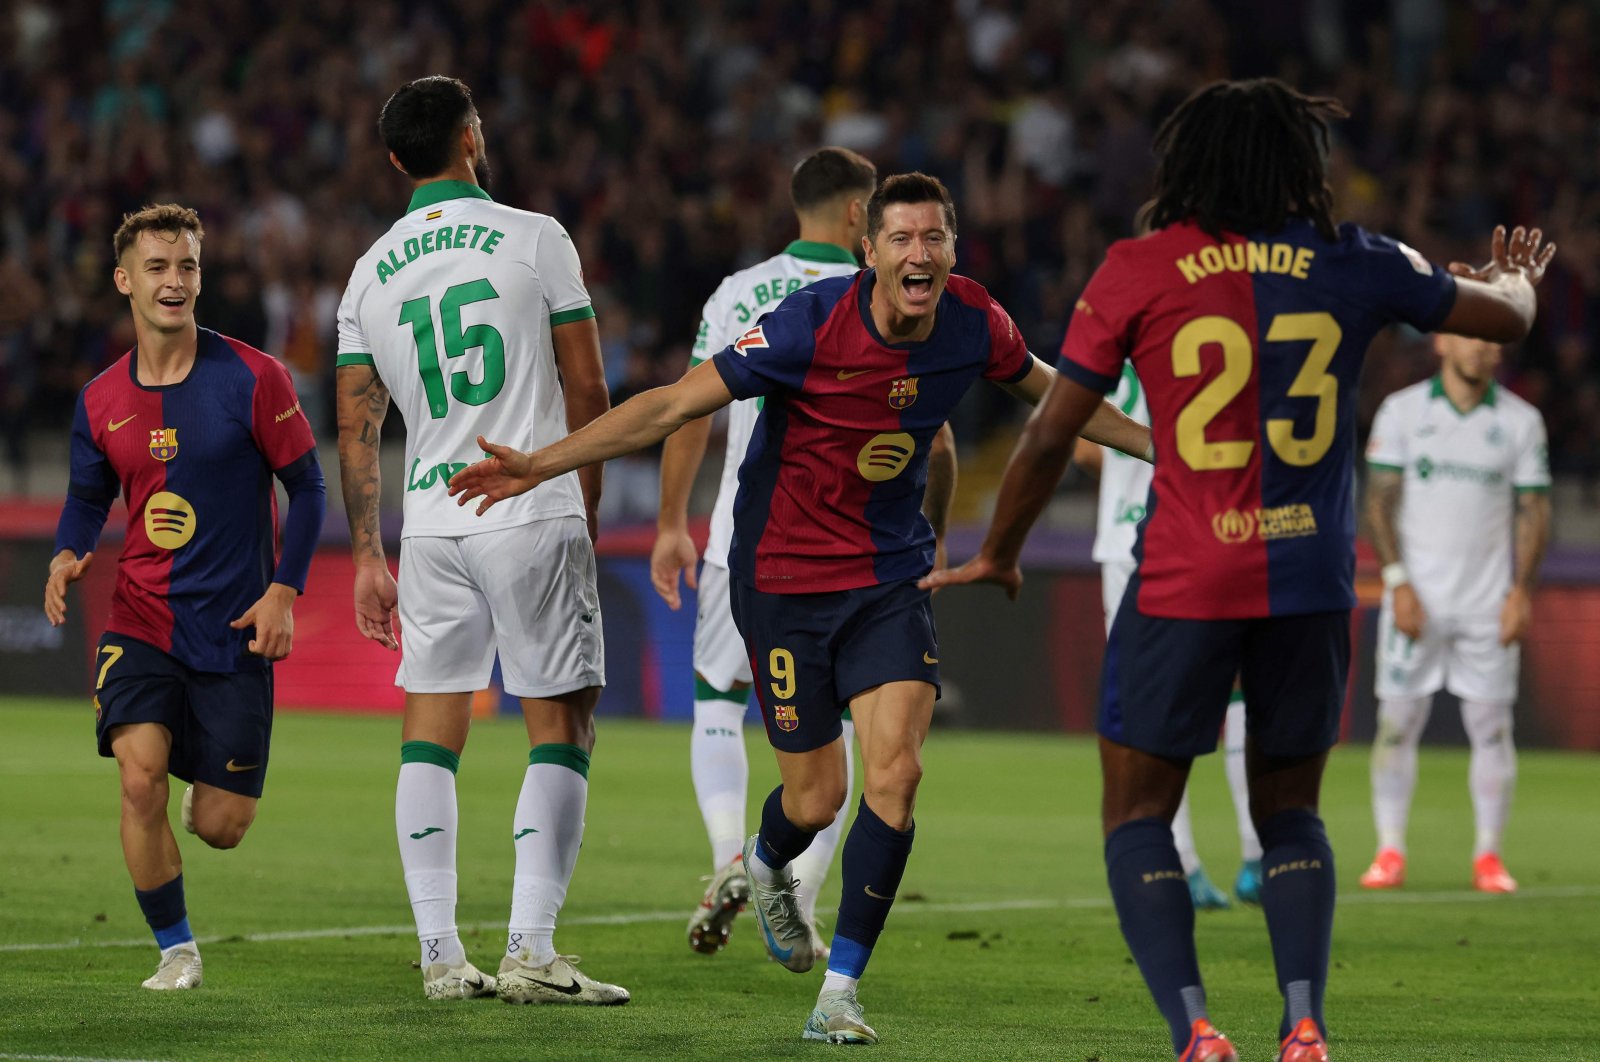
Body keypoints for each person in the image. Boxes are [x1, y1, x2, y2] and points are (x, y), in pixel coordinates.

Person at [926, 78, 1554, 1062]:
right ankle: (1303, 1025)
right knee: (1290, 810)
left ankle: (1196, 1031)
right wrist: (1516, 286)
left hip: (1184, 578)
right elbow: (1501, 320)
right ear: (1300, 168)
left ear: (1187, 164)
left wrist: (998, 549)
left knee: (1136, 812)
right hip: (1308, 580)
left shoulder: (1137, 268)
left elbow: (1050, 431)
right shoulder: (1358, 261)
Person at [448, 172, 1152, 1044]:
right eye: (901, 239)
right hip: (782, 580)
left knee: (895, 774)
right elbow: (671, 405)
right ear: (870, 251)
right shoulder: (809, 323)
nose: (919, 254)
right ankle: (766, 859)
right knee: (816, 798)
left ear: (953, 251)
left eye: (934, 238)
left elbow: (1060, 396)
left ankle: (840, 993)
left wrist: (1168, 452)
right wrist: (540, 464)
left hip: (887, 581)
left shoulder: (977, 321)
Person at [333, 76, 622, 1005]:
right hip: (527, 505)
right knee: (562, 728)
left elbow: (354, 425)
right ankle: (532, 952)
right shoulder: (536, 237)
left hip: (428, 522)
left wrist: (369, 553)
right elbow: (587, 389)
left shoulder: (368, 272)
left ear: (393, 160)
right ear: (472, 136)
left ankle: (440, 956)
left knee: (430, 736)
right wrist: (581, 497)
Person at [43, 203, 326, 991]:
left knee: (220, 826)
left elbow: (307, 489)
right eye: (159, 268)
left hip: (234, 629)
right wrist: (69, 550)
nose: (175, 281)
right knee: (138, 779)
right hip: (139, 618)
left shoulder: (254, 376)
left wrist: (284, 591)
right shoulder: (99, 399)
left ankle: (196, 767)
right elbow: (85, 496)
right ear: (124, 280)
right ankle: (176, 949)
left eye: (188, 267)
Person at [651, 146, 877, 958]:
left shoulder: (739, 292)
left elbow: (689, 411)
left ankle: (724, 861)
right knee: (841, 721)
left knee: (718, 699)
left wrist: (673, 520)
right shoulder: (876, 294)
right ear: (858, 214)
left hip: (742, 543)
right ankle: (804, 897)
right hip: (852, 551)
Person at [1359, 333, 1550, 894]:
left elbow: (1533, 509)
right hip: (1417, 597)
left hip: (1485, 602)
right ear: (1442, 342)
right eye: (1471, 336)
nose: (1483, 348)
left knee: (1492, 728)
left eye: (1494, 339)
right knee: (1396, 725)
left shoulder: (1520, 421)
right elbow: (1378, 502)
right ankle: (1389, 849)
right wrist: (1396, 582)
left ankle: (1488, 856)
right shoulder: (1403, 411)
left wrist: (1521, 592)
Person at [1073, 369, 1263, 909]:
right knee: (1238, 687)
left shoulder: (1116, 359)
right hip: (1208, 535)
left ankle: (1180, 862)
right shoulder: (1221, 349)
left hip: (1126, 540)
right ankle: (1253, 856)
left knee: (1151, 701)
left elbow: (1083, 450)